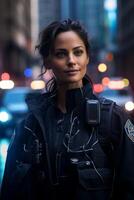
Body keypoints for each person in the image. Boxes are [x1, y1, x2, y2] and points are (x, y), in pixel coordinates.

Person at [1, 18, 134, 200]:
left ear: (87, 57)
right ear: (47, 61)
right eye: (61, 54)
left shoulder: (114, 119)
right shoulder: (28, 127)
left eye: (78, 52)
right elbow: (10, 191)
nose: (71, 61)